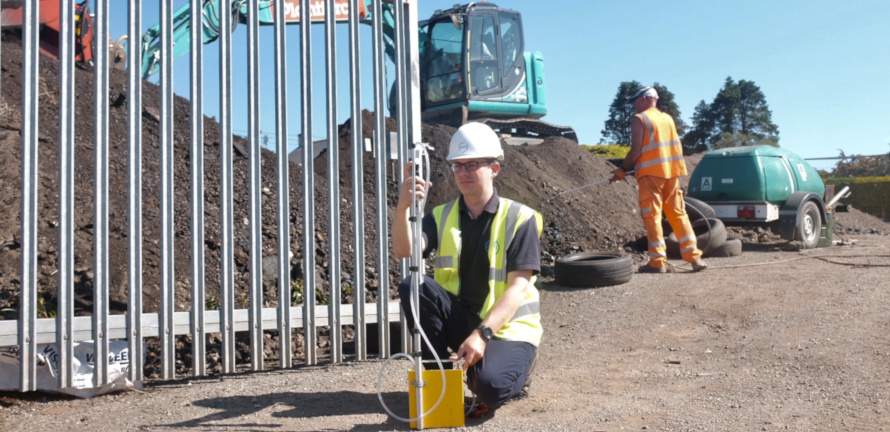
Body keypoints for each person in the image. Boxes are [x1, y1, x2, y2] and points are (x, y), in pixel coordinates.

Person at [392, 122, 543, 411]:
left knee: (491, 389)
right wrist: (403, 207)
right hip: (464, 319)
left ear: (494, 169)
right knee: (413, 285)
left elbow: (517, 287)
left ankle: (516, 372)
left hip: (507, 328)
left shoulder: (520, 219)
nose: (463, 172)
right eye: (457, 166)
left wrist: (482, 335)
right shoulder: (442, 215)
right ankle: (438, 384)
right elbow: (403, 250)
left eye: (472, 164)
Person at [611, 86, 708, 273]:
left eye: (636, 100)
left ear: (646, 99)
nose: (633, 105)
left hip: (651, 175)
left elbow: (636, 150)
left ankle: (657, 262)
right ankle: (695, 259)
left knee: (652, 217)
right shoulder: (667, 118)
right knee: (678, 214)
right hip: (672, 174)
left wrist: (622, 170)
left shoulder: (640, 119)